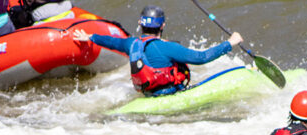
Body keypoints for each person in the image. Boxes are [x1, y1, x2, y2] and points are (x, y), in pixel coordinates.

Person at [72, 5, 242, 97]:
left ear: (141, 24)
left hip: (148, 95)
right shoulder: (169, 47)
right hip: (170, 95)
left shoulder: (131, 44)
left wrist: (90, 37)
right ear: (162, 25)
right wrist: (230, 42)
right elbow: (201, 57)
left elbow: (113, 42)